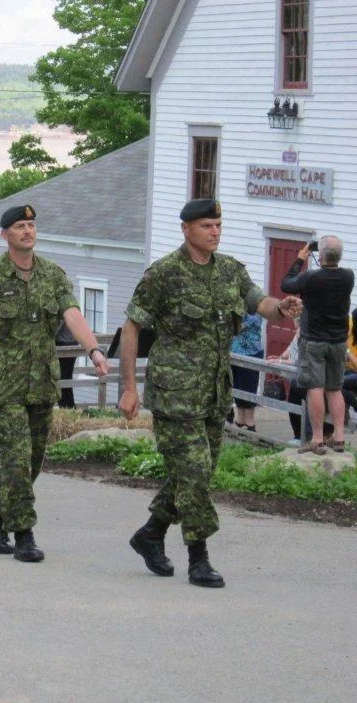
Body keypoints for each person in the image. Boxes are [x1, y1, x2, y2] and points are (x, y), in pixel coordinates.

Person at [118, 198, 302, 588]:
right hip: (174, 394)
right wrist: (130, 387)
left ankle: (151, 534)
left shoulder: (230, 271)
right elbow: (132, 327)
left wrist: (281, 307)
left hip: (214, 393)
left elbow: (260, 302)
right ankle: (198, 559)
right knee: (194, 473)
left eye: (218, 225)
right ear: (186, 229)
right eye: (206, 226)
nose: (214, 232)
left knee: (196, 474)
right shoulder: (164, 274)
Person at [0, 204, 108, 562]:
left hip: (41, 384)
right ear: (5, 235)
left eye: (31, 225)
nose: (27, 231)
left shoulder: (52, 275)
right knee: (17, 459)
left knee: (31, 462)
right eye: (20, 226)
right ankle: (24, 534)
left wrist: (93, 350)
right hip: (2, 386)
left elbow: (72, 314)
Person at [280, 236, 354, 453]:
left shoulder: (310, 277)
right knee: (335, 389)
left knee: (315, 388)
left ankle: (318, 439)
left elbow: (286, 284)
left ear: (320, 256)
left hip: (313, 341)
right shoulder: (348, 276)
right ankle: (339, 437)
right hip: (338, 342)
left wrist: (299, 259)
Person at [229, 312, 263, 430]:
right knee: (236, 385)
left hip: (251, 353)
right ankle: (240, 419)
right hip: (234, 351)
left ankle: (250, 423)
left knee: (248, 387)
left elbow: (239, 327)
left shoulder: (255, 309)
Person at [55, 320, 77, 409]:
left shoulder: (64, 313)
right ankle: (68, 407)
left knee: (63, 378)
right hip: (69, 343)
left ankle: (66, 407)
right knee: (65, 378)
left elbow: (56, 327)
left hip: (66, 345)